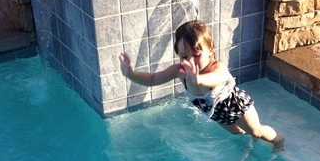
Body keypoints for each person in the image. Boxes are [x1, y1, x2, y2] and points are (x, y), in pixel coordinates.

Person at [119, 20, 285, 151]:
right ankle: (248, 135)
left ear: (211, 50)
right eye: (184, 55)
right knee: (237, 132)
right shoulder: (180, 70)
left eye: (196, 55)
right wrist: (131, 74)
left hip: (236, 106)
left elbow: (217, 77)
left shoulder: (216, 67)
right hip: (215, 113)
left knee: (256, 131)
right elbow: (153, 79)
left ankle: (278, 140)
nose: (190, 60)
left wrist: (197, 80)